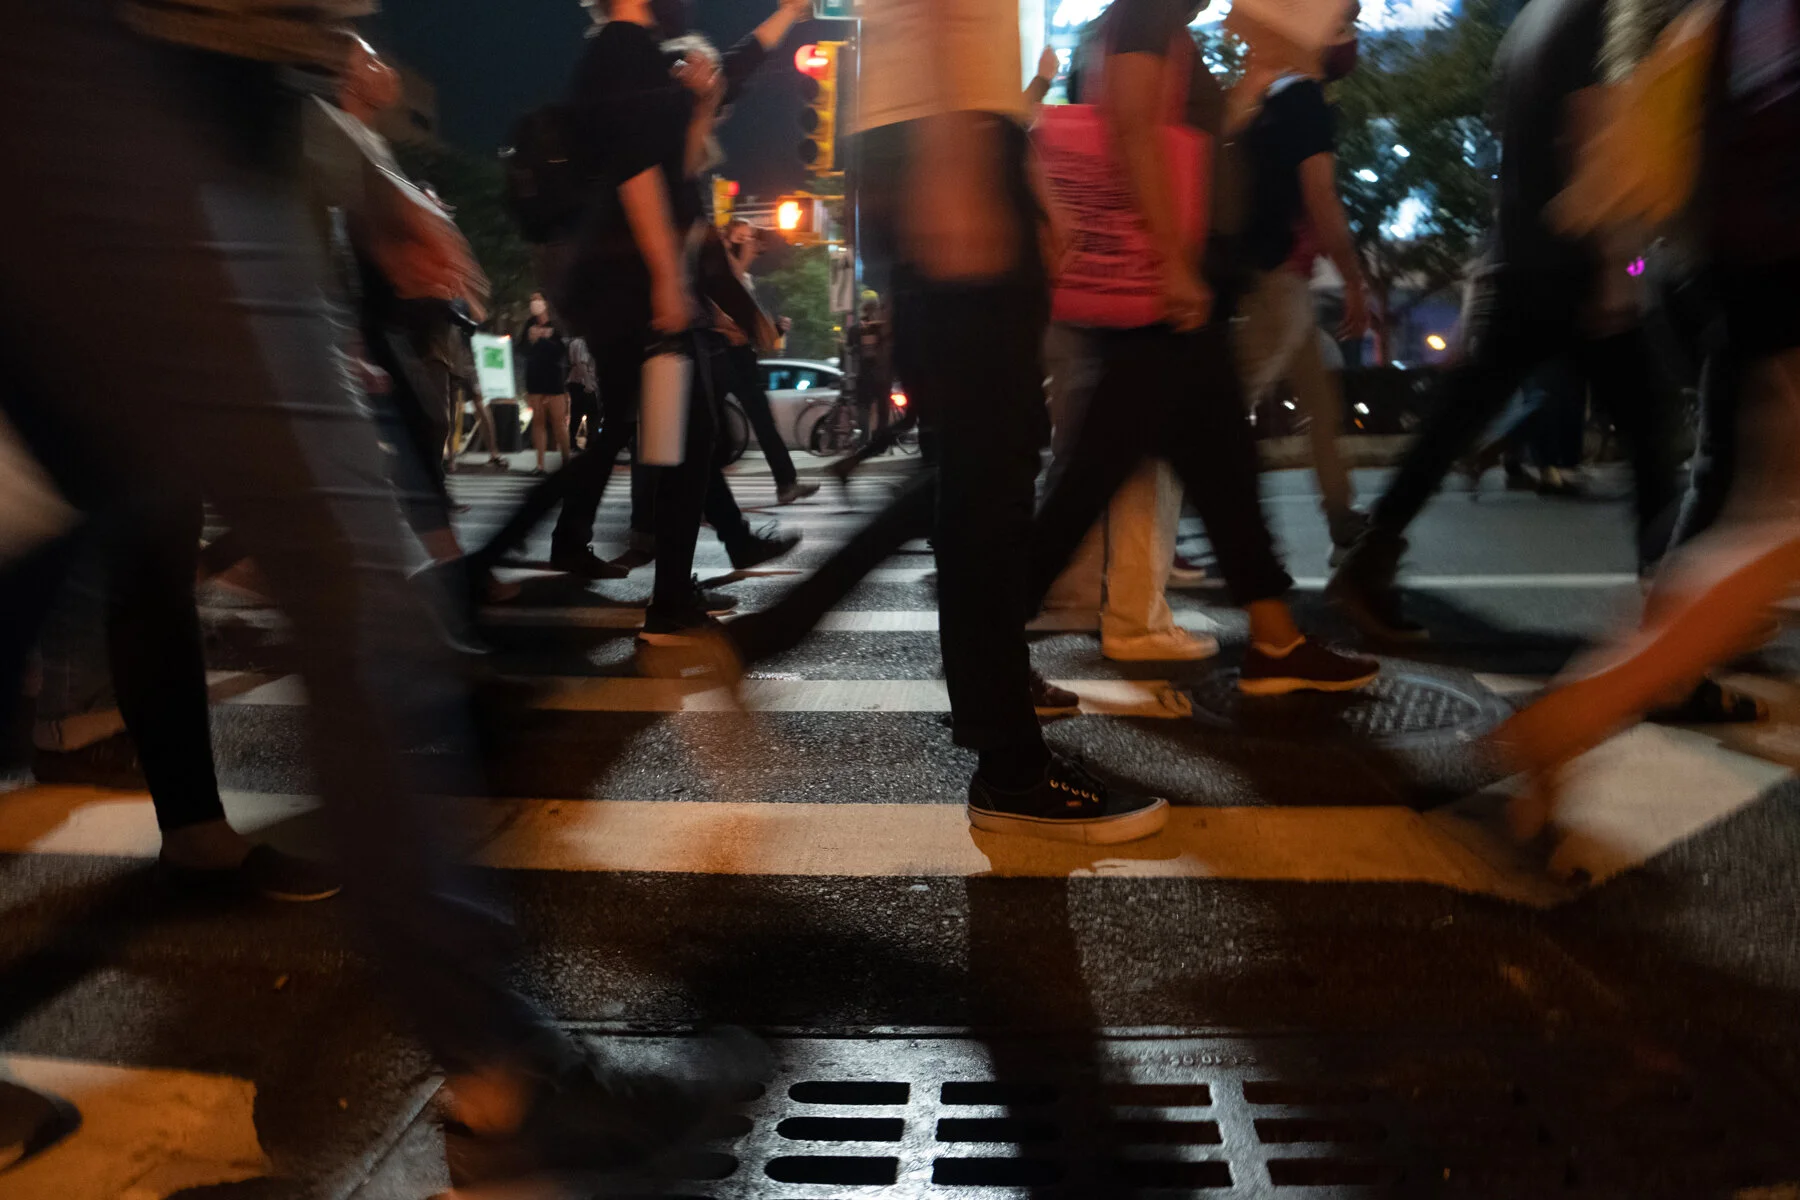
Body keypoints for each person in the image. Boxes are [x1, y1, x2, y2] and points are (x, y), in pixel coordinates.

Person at [1, 0, 765, 1189]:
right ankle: (502, 1075)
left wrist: (356, 169)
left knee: (35, 549)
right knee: (355, 578)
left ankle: (499, 1065)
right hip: (115, 87)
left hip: (156, 102)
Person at [1027, 0, 1380, 701]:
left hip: (1186, 288)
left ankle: (1275, 639)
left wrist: (1250, 86)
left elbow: (1177, 133)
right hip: (1162, 292)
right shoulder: (1144, 16)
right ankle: (985, 639)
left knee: (1223, 472)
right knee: (1090, 482)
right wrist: (1172, 260)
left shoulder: (1164, 28)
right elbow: (1132, 131)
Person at [1325, 0, 1682, 642]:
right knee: (1652, 438)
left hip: (1518, 258)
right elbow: (1590, 128)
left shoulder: (1531, 25)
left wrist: (1483, 266)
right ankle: (1671, 629)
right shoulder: (1593, 17)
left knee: (1452, 423)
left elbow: (1507, 155)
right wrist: (1612, 269)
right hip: (1570, 256)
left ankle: (1367, 562)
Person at [1228, 7, 1371, 558]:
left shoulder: (1272, 96)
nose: (1350, 40)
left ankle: (1340, 515)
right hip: (1277, 277)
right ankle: (1210, 523)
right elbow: (1321, 197)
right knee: (1223, 407)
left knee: (1321, 400)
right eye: (1342, 27)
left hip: (1274, 273)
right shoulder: (1304, 101)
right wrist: (1356, 283)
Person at [718, 219, 819, 504]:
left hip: (741, 355)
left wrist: (772, 328)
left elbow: (746, 321)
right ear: (727, 242)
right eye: (741, 238)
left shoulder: (747, 279)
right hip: (721, 353)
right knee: (711, 427)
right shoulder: (721, 270)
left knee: (762, 419)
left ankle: (786, 482)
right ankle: (704, 496)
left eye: (750, 238)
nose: (748, 244)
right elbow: (725, 295)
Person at [517, 292, 571, 475]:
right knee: (538, 422)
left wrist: (542, 340)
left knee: (558, 423)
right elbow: (522, 349)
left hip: (554, 379)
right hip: (534, 378)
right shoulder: (529, 325)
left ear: (546, 303)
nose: (535, 303)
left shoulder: (556, 325)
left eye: (538, 299)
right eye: (532, 300)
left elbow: (561, 352)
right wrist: (532, 340)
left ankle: (566, 461)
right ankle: (539, 465)